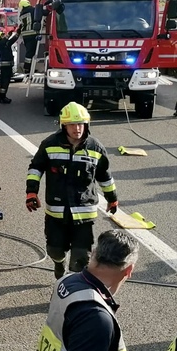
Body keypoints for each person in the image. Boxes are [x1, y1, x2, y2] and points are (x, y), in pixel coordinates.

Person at [27, 102, 118, 278]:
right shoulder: (49, 144)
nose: (77, 129)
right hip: (56, 213)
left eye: (81, 124)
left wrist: (112, 198)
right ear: (64, 125)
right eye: (72, 124)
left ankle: (72, 287)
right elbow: (35, 169)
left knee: (80, 258)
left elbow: (104, 176)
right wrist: (31, 192)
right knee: (54, 250)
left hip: (84, 214)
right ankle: (59, 263)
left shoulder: (95, 148)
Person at [0, 28, 19, 103]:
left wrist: (17, 34)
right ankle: (2, 97)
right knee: (4, 82)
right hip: (5, 66)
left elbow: (11, 41)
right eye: (2, 35)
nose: (4, 36)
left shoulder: (4, 43)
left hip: (8, 65)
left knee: (6, 82)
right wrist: (8, 35)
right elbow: (4, 41)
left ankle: (3, 97)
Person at [18, 0, 40, 73]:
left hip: (25, 35)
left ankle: (30, 68)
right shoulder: (32, 10)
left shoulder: (21, 14)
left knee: (29, 52)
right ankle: (27, 68)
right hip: (32, 34)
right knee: (31, 52)